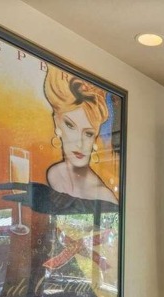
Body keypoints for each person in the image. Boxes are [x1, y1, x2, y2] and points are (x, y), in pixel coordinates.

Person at [43, 65, 118, 203]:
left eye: (88, 134)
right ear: (57, 123)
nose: (79, 143)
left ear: (95, 137)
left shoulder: (104, 196)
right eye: (70, 126)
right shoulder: (54, 174)